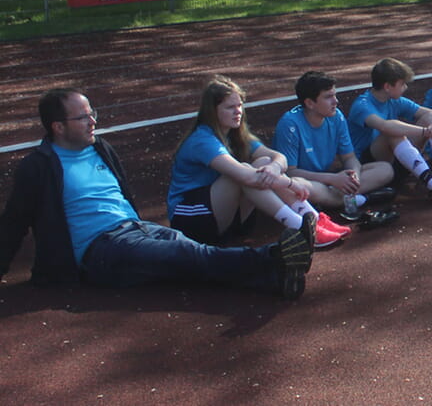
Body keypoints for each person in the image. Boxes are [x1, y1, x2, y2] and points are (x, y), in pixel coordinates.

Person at [0, 89, 313, 299]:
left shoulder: (101, 149)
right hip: (100, 250)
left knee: (188, 255)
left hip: (136, 229)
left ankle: (277, 280)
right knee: (188, 256)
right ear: (57, 127)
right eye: (82, 117)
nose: (93, 120)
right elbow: (14, 220)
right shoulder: (38, 167)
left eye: (91, 112)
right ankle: (274, 257)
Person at [169, 76, 349, 249]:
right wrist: (290, 183)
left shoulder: (235, 135)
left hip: (223, 216)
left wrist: (273, 167)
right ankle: (303, 228)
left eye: (239, 105)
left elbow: (279, 157)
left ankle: (313, 219)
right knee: (245, 172)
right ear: (213, 111)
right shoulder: (202, 140)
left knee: (263, 161)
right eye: (230, 107)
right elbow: (245, 176)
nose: (238, 111)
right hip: (191, 218)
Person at [346, 58, 432, 204]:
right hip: (370, 166)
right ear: (388, 86)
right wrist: (426, 132)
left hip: (396, 161)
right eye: (402, 84)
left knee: (430, 118)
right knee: (393, 133)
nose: (405, 87)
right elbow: (385, 126)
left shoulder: (394, 100)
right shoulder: (362, 105)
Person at [273, 71, 397, 223]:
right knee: (298, 184)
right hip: (310, 182)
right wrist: (333, 179)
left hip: (331, 182)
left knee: (385, 169)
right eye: (328, 97)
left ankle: (338, 199)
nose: (336, 101)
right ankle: (361, 199)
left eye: (334, 95)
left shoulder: (336, 116)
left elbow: (349, 157)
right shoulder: (290, 124)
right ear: (310, 103)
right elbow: (290, 172)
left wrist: (354, 177)